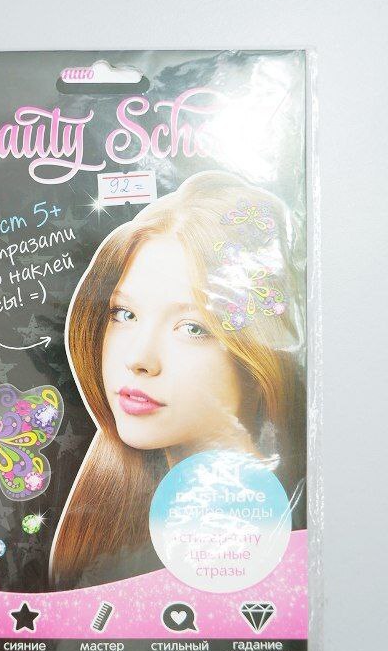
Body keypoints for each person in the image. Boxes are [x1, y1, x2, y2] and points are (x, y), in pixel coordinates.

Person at [49, 171, 306, 589]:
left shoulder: (288, 526)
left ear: (260, 355)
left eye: (192, 328)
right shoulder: (109, 514)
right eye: (124, 314)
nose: (138, 359)